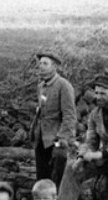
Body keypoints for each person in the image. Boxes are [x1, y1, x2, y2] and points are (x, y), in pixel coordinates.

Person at [30, 52, 78, 187]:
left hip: (56, 139)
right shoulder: (41, 86)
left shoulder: (64, 85)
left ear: (54, 66)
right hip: (41, 138)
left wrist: (62, 138)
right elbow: (42, 111)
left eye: (45, 64)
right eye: (40, 63)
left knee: (57, 175)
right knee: (42, 175)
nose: (41, 66)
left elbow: (69, 115)